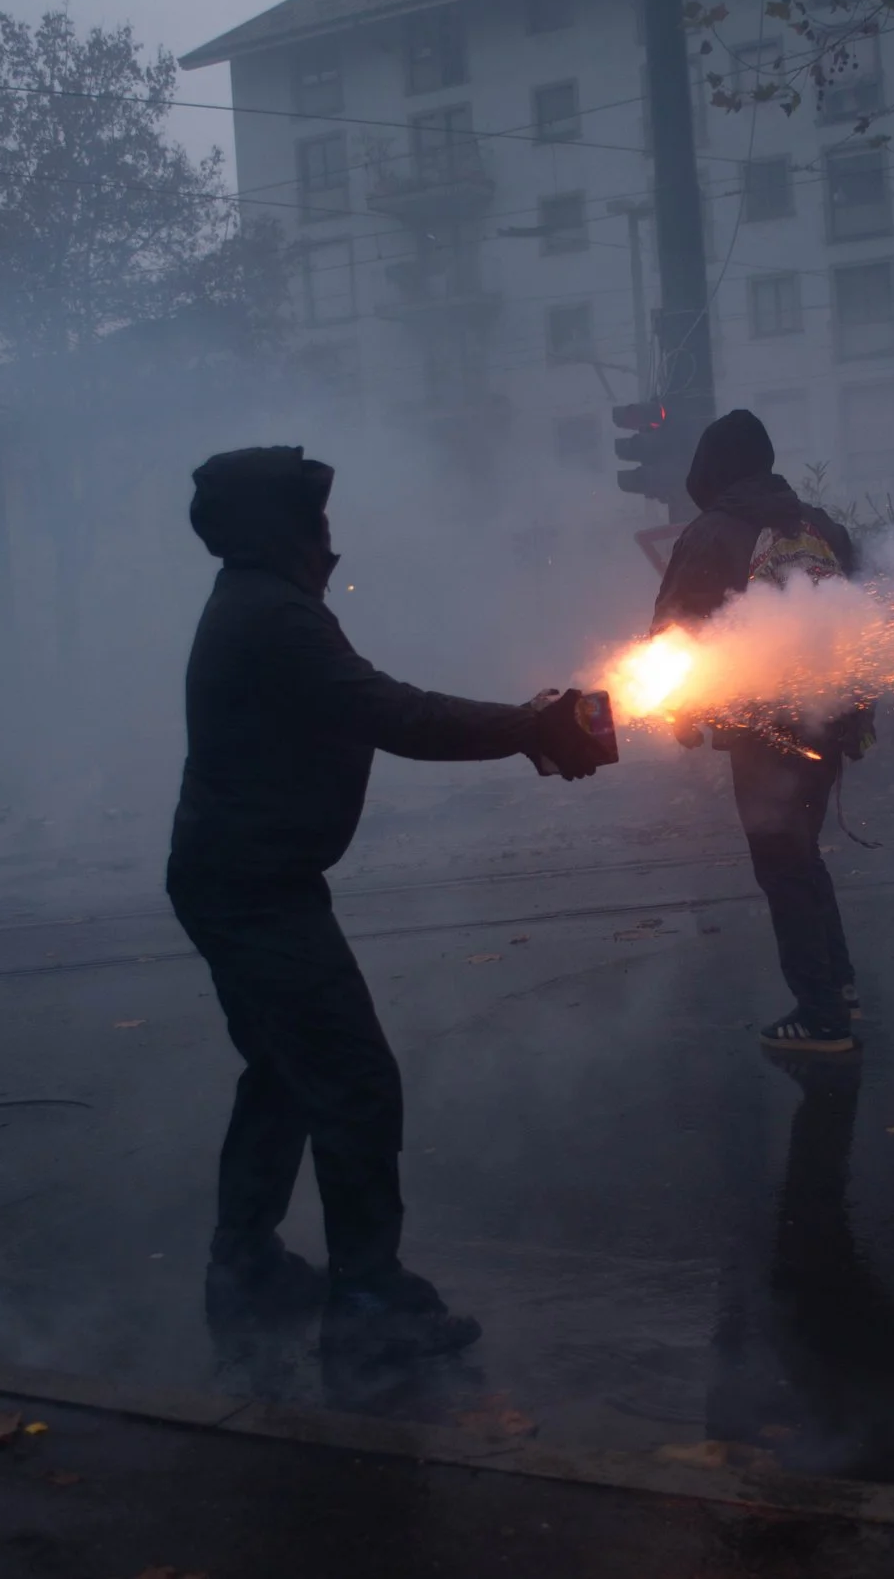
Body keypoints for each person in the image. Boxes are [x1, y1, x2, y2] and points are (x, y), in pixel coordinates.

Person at [167, 445, 607, 1359]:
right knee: (354, 1082)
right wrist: (528, 728)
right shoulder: (274, 617)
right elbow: (390, 714)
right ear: (279, 530)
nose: (329, 537)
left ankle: (243, 1266)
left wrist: (524, 725)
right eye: (313, 519)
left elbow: (375, 708)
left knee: (286, 1073)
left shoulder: (263, 605)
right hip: (254, 891)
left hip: (238, 877)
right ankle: (368, 1299)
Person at [650, 409, 866, 1053]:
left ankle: (820, 1014)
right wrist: (859, 715)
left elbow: (675, 633)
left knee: (782, 862)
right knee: (802, 851)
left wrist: (680, 710)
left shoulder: (712, 533)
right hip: (829, 717)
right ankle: (839, 986)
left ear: (711, 470)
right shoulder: (820, 526)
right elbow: (869, 624)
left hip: (764, 729)